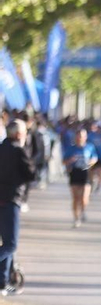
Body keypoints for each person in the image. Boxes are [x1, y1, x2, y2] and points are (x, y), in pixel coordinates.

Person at [0, 119, 38, 294]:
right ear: (18, 134)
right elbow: (31, 174)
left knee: (7, 243)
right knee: (11, 245)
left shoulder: (1, 148)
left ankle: (3, 281)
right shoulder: (18, 151)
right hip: (11, 201)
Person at [63, 126, 97, 227]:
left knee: (84, 198)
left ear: (85, 137)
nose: (80, 138)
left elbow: (95, 158)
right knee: (75, 198)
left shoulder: (90, 147)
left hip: (85, 172)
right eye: (78, 136)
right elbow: (64, 161)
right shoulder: (71, 148)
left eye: (82, 136)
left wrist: (90, 162)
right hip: (75, 172)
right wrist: (71, 160)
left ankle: (83, 210)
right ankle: (76, 218)